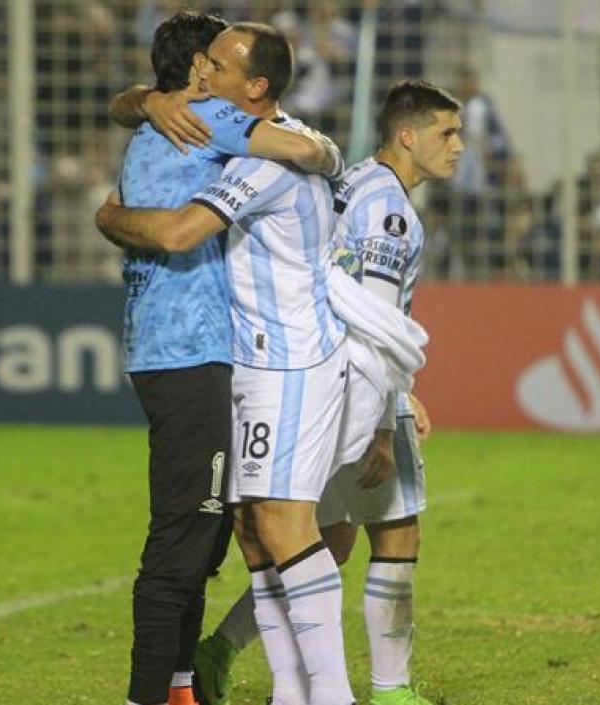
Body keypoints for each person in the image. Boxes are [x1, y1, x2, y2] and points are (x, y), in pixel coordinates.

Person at [96, 23, 356, 705]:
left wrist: (141, 115)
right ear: (195, 74)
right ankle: (154, 694)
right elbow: (298, 148)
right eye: (207, 59)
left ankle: (184, 685)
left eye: (222, 61)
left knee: (218, 526)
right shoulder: (211, 117)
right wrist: (327, 154)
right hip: (191, 352)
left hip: (177, 348)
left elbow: (128, 104)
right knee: (194, 531)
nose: (211, 70)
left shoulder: (155, 118)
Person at [193, 80, 463, 705]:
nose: (458, 146)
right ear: (407, 134)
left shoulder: (358, 182)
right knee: (397, 532)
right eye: (446, 133)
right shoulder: (391, 212)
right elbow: (375, 317)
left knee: (324, 539)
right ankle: (390, 690)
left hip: (315, 378)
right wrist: (386, 417)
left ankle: (222, 649)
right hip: (352, 388)